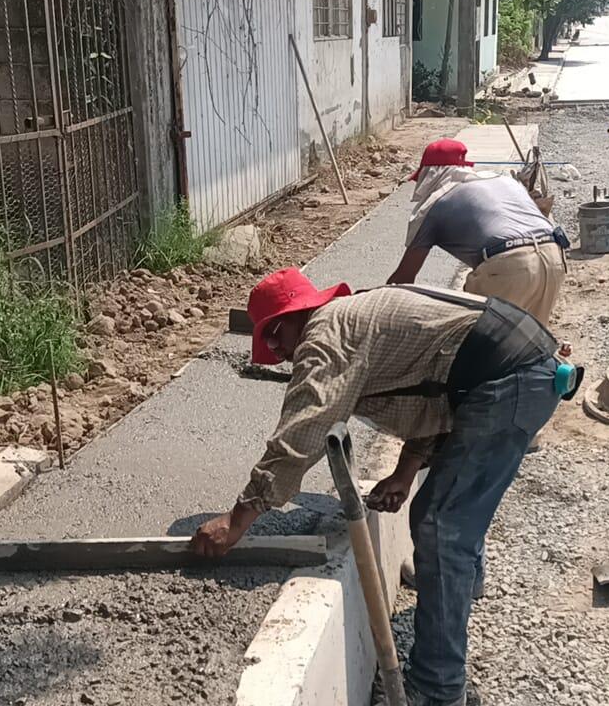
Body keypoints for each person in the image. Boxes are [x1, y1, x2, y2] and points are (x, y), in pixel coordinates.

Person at [191, 269, 566, 706]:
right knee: (446, 510)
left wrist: (238, 520)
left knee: (442, 526)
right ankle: (457, 582)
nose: (281, 353)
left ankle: (437, 691)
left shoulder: (324, 333)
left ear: (295, 315)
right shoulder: (357, 318)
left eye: (275, 339)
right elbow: (436, 394)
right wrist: (405, 472)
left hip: (510, 376)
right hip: (510, 367)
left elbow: (304, 431)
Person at [387, 138, 568, 332]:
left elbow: (403, 279)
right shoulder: (505, 181)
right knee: (529, 344)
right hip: (554, 256)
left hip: (509, 267)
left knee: (476, 344)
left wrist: (377, 301)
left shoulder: (434, 204)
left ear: (429, 174)